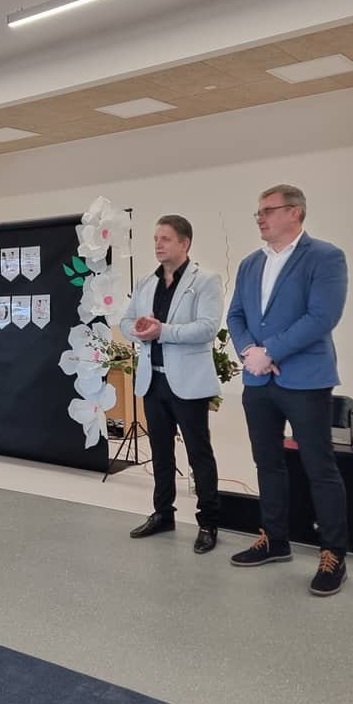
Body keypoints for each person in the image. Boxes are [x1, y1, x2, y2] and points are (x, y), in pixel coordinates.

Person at [226, 184, 349, 597]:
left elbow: (322, 317)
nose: (260, 218)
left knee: (319, 466)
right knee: (267, 462)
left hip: (305, 379)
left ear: (295, 212)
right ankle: (274, 539)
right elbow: (236, 315)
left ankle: (333, 553)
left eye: (268, 210)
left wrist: (271, 351)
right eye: (258, 212)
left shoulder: (325, 257)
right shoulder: (250, 264)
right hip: (258, 380)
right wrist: (249, 352)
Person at [119, 215, 224, 553]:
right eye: (155, 239)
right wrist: (137, 329)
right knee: (161, 452)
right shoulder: (146, 282)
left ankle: (208, 521)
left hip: (188, 383)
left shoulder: (205, 281)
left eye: (165, 239)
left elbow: (207, 328)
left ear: (185, 243)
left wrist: (162, 331)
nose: (157, 245)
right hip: (153, 381)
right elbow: (125, 320)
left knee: (198, 454)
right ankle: (163, 513)